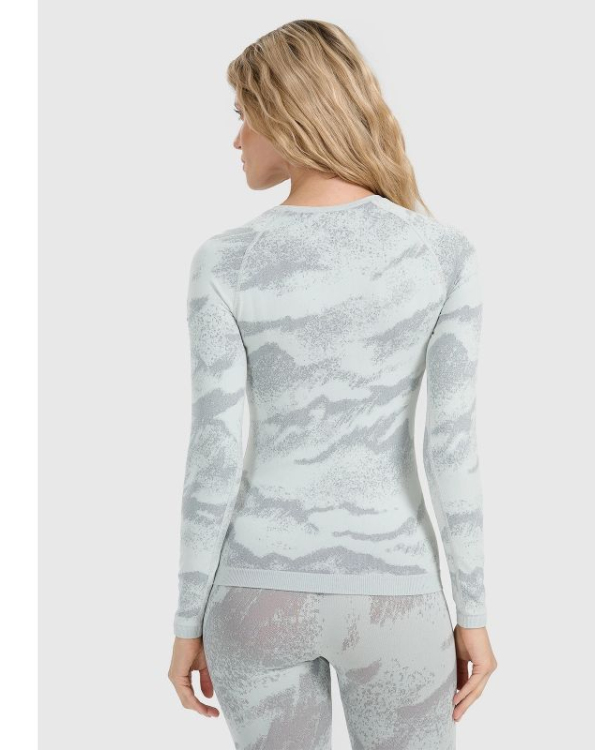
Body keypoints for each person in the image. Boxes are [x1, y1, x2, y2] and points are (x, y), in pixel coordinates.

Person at [168, 18, 497, 749]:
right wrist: (472, 612)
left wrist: (188, 620)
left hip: (254, 592)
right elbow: (450, 449)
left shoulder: (226, 260)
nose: (236, 139)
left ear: (288, 117)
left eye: (243, 116)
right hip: (396, 593)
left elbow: (212, 455)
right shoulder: (442, 255)